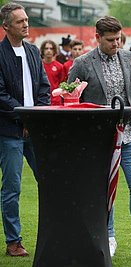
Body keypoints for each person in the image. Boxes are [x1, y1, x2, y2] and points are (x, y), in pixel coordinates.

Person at [68, 15, 131, 259]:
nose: (116, 44)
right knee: (103, 190)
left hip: (130, 135)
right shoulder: (82, 63)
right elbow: (71, 99)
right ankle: (108, 238)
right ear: (97, 37)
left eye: (119, 39)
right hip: (98, 140)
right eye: (111, 40)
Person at [0, 2, 50, 257]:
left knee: (50, 180)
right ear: (6, 26)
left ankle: (54, 233)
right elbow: (1, 96)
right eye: (20, 21)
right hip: (10, 132)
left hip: (36, 130)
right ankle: (13, 241)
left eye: (26, 20)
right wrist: (25, 119)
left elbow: (44, 86)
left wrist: (37, 117)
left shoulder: (33, 51)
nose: (26, 24)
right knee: (12, 187)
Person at [40, 40, 65, 105]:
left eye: (51, 48)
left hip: (56, 100)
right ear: (42, 50)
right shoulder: (38, 65)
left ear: (54, 51)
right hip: (41, 99)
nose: (48, 50)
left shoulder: (60, 66)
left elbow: (61, 84)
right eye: (46, 48)